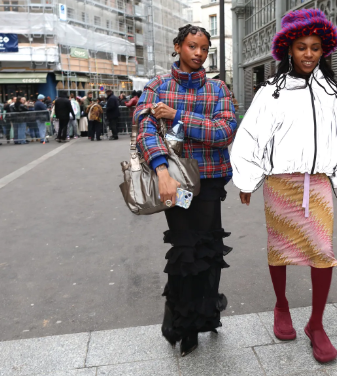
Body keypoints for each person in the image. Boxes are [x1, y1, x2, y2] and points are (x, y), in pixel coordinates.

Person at [230, 9, 337, 364]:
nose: (308, 54)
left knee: (322, 254)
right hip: (281, 185)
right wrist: (247, 179)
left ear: (324, 50)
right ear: (289, 49)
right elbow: (251, 137)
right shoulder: (270, 92)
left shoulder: (332, 93)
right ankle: (281, 306)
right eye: (302, 47)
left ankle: (316, 325)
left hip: (319, 183)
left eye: (315, 47)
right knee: (280, 250)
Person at [134, 24, 237, 356]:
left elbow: (223, 131)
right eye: (192, 46)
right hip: (173, 181)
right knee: (184, 251)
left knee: (208, 252)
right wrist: (161, 170)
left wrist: (177, 115)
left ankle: (201, 319)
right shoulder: (157, 87)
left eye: (204, 49)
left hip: (208, 182)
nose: (198, 53)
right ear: (177, 47)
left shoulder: (218, 89)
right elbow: (145, 129)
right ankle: (180, 320)